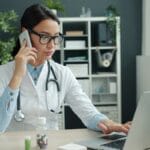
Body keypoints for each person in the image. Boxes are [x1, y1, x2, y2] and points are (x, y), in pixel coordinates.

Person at [0, 4, 130, 133]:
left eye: (56, 37)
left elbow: (87, 111)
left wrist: (109, 124)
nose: (52, 46)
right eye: (45, 37)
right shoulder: (3, 73)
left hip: (50, 144)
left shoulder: (62, 73)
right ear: (25, 34)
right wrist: (16, 77)